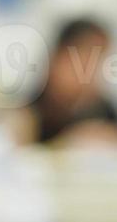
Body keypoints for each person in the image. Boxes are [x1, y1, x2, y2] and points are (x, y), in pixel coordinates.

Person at [27, 17, 117, 145]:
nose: (93, 71)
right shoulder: (31, 111)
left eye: (99, 59)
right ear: (58, 59)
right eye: (85, 61)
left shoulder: (101, 108)